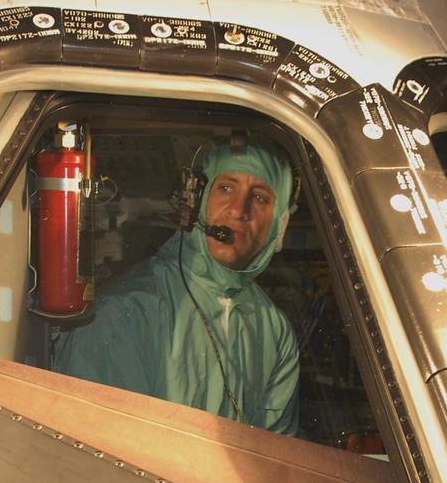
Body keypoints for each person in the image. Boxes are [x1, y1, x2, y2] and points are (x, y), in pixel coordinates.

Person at [53, 136, 299, 435]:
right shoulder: (124, 312)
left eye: (260, 197)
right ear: (197, 199)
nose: (239, 209)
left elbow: (274, 459)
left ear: (279, 223)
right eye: (226, 188)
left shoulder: (276, 332)